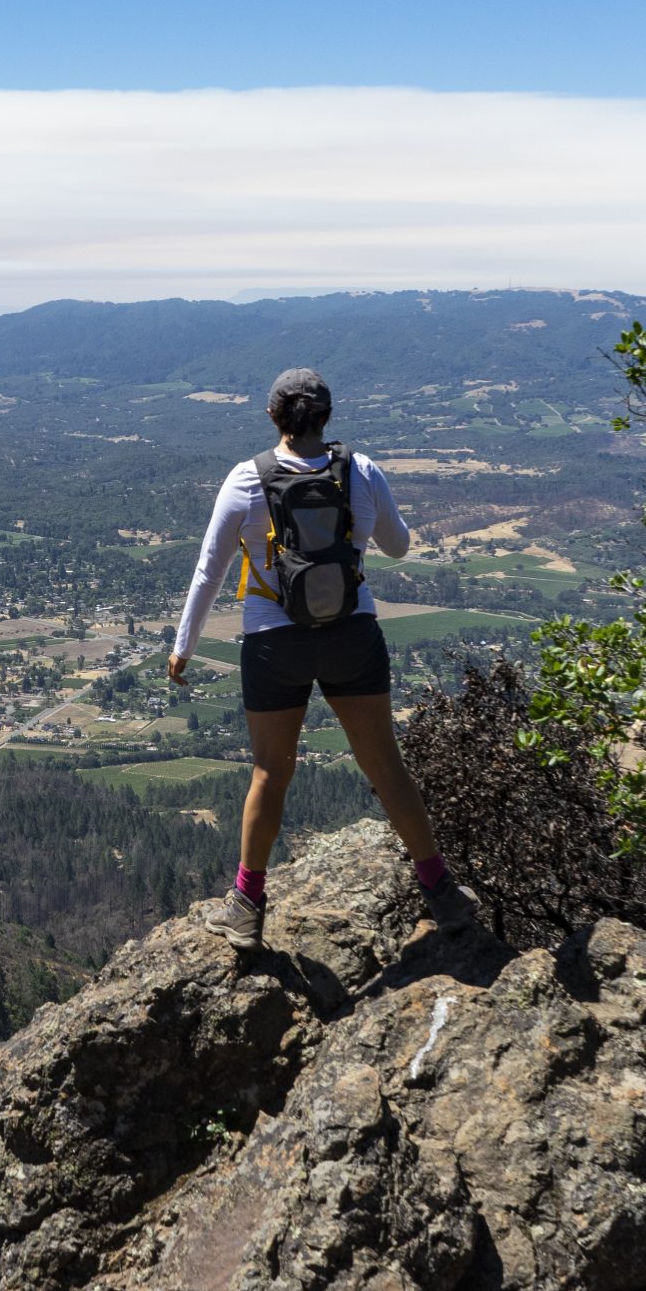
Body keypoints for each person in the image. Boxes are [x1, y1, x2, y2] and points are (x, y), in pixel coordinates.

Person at [166, 367, 477, 949]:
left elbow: (209, 569)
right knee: (386, 767)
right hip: (352, 637)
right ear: (328, 416)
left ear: (272, 416)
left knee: (270, 772)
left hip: (273, 643)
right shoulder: (360, 470)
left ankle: (247, 904)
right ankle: (441, 890)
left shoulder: (245, 479)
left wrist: (184, 646)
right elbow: (398, 545)